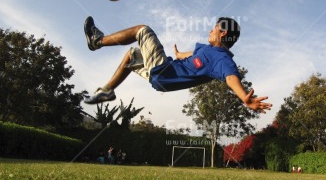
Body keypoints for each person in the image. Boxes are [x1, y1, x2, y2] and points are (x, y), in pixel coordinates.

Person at [83, 16, 272, 113]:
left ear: (222, 33)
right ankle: (108, 90)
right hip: (160, 77)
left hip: (164, 71)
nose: (210, 30)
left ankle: (97, 40)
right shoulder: (206, 50)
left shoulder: (222, 59)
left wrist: (244, 98)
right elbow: (194, 55)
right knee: (132, 55)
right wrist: (180, 54)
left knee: (142, 30)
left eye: (214, 28)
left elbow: (231, 77)